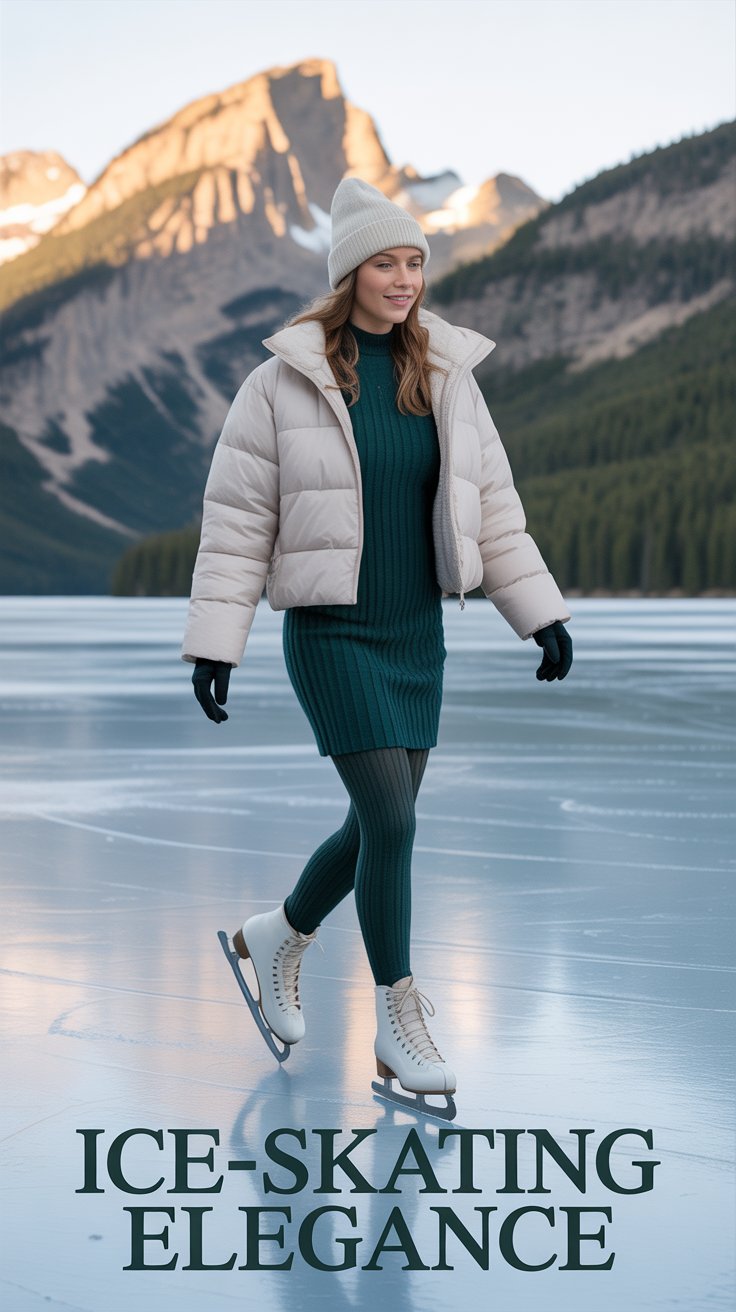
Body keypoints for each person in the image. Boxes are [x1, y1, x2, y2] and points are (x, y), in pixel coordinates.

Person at [181, 176, 573, 1116]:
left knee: (375, 823)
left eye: (416, 264)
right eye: (386, 263)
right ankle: (399, 1017)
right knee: (393, 823)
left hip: (415, 634)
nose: (405, 280)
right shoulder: (280, 383)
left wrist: (539, 611)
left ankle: (277, 935)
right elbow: (237, 522)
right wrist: (217, 642)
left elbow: (494, 509)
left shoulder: (446, 376)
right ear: (349, 272)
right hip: (332, 633)